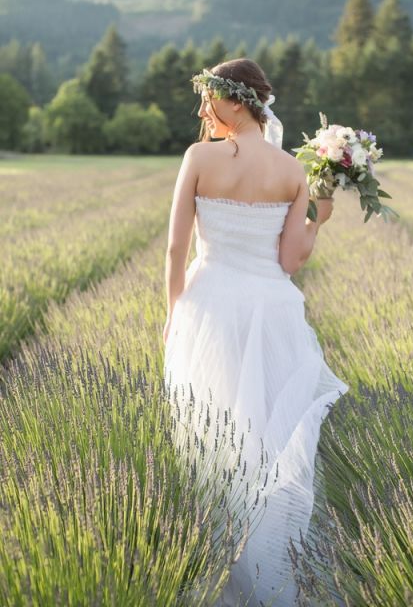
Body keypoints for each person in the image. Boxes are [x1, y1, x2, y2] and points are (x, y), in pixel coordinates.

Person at [163, 58, 350, 606]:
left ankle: (224, 566)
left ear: (236, 101)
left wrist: (173, 316)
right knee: (267, 439)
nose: (202, 111)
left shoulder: (199, 157)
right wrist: (320, 219)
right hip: (273, 312)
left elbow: (177, 248)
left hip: (212, 308)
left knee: (213, 439)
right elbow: (291, 260)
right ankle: (273, 569)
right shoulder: (294, 171)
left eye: (208, 99)